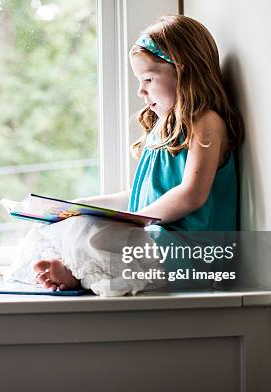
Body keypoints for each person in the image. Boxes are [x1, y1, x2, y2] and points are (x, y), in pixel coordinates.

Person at [33, 15, 243, 292]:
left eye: (148, 78)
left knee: (100, 235)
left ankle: (78, 272)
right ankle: (75, 268)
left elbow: (191, 194)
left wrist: (135, 222)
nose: (140, 90)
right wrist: (80, 206)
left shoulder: (206, 122)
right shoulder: (163, 127)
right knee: (78, 223)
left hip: (190, 250)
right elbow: (139, 195)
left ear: (183, 71)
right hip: (158, 237)